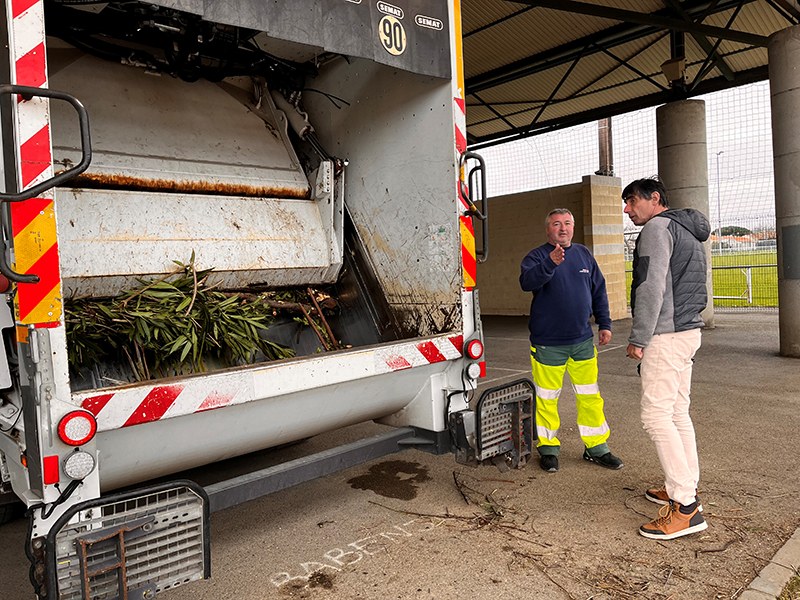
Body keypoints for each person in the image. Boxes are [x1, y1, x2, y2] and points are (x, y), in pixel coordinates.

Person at [623, 177, 710, 541]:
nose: (627, 210)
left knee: (656, 416)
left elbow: (651, 286)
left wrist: (639, 337)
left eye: (632, 202)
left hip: (665, 334)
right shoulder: (687, 229)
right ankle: (685, 486)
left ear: (654, 199)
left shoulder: (657, 229)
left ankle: (686, 509)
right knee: (676, 412)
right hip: (688, 332)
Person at [519, 208, 622, 473]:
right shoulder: (537, 256)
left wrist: (605, 324)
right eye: (556, 224)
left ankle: (597, 447)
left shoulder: (584, 254)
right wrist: (550, 263)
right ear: (547, 229)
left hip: (582, 341)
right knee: (546, 398)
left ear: (573, 228)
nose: (562, 228)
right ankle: (548, 448)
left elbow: (598, 290)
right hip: (548, 343)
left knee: (590, 396)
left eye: (567, 223)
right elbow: (527, 282)